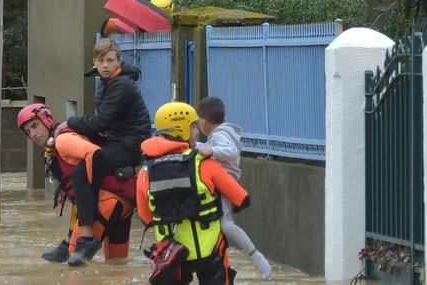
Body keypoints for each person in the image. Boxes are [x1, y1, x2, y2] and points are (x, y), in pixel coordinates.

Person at [137, 101, 250, 285]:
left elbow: (145, 217)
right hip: (211, 252)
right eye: (193, 127)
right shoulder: (205, 163)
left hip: (172, 255)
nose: (197, 132)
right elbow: (242, 198)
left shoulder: (146, 171)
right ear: (182, 129)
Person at [65, 38, 152, 265]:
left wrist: (70, 122)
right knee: (83, 165)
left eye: (110, 60)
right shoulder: (109, 82)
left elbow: (100, 121)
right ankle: (68, 241)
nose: (105, 65)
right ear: (95, 62)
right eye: (101, 60)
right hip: (117, 140)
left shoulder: (121, 85)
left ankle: (86, 238)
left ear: (118, 61)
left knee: (81, 173)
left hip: (129, 146)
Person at [16, 103, 136, 264]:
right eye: (28, 132)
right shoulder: (58, 143)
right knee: (117, 266)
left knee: (74, 266)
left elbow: (95, 154)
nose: (34, 134)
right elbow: (79, 198)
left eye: (35, 126)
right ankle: (67, 244)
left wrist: (91, 205)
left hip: (106, 202)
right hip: (125, 202)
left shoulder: (63, 140)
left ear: (48, 119)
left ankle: (70, 246)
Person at [195, 96, 272, 280]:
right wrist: (197, 146)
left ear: (203, 121)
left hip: (224, 184)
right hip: (221, 184)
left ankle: (260, 261)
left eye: (197, 121)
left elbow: (230, 152)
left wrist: (212, 151)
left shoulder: (220, 135)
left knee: (226, 225)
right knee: (222, 227)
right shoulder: (220, 133)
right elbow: (207, 147)